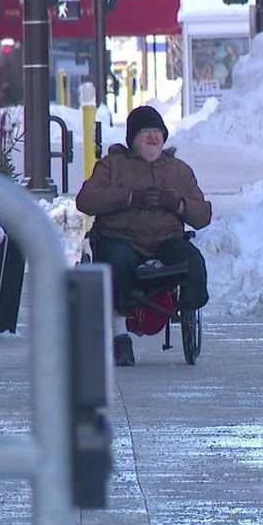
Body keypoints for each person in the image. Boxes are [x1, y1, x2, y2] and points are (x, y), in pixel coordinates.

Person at [75, 105, 213, 367]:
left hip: (165, 242)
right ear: (132, 139)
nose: (153, 137)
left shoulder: (179, 170)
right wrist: (128, 197)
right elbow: (86, 200)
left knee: (191, 259)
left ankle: (183, 305)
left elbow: (203, 215)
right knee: (116, 258)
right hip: (121, 239)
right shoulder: (112, 165)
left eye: (157, 132)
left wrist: (179, 204)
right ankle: (120, 335)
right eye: (146, 132)